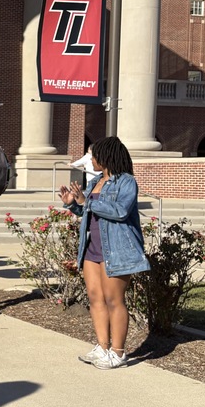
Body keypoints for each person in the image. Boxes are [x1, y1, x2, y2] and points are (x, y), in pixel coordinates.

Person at [59, 136, 150, 370]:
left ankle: (118, 353)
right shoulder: (97, 181)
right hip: (93, 248)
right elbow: (87, 212)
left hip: (118, 250)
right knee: (95, 298)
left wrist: (87, 201)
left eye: (94, 155)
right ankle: (102, 347)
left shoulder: (126, 182)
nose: (91, 160)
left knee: (114, 300)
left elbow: (120, 211)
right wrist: (73, 203)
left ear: (106, 157)